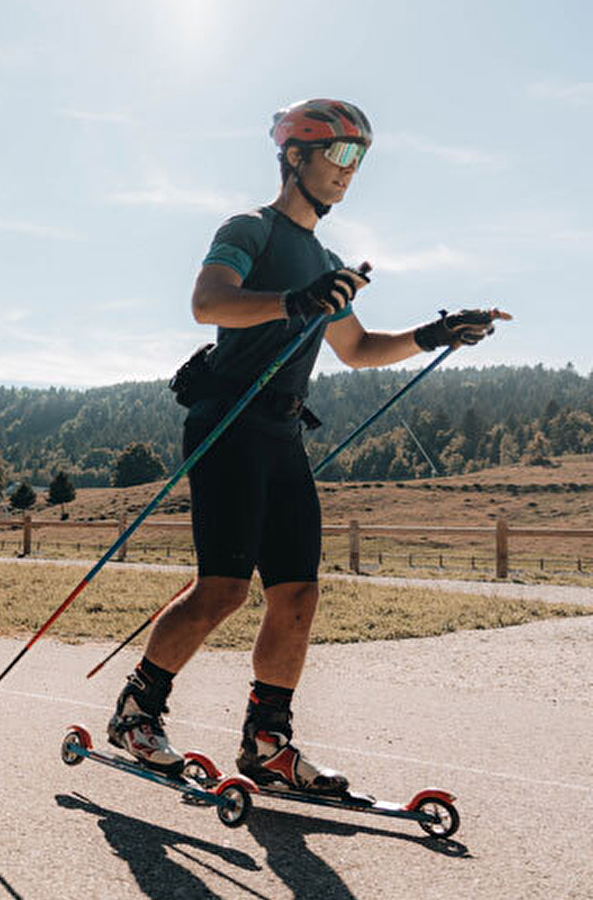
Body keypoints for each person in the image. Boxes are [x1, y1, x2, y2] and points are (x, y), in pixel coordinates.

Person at [108, 99, 510, 793]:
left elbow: (354, 348)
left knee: (296, 595)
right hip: (228, 420)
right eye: (342, 153)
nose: (351, 172)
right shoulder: (249, 228)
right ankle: (137, 711)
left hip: (283, 431)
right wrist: (295, 300)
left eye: (361, 158)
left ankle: (268, 742)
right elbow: (209, 302)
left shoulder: (325, 260)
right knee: (224, 589)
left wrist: (435, 333)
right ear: (296, 156)